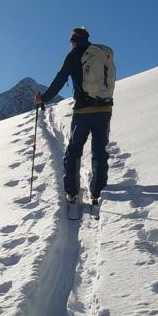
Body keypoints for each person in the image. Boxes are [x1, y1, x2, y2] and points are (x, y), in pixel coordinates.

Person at [35, 27, 112, 206]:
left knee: (74, 150)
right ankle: (98, 189)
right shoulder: (100, 54)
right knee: (100, 150)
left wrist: (43, 98)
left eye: (71, 39)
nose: (71, 42)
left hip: (83, 112)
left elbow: (60, 79)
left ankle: (72, 192)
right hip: (105, 109)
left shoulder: (74, 55)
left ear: (75, 40)